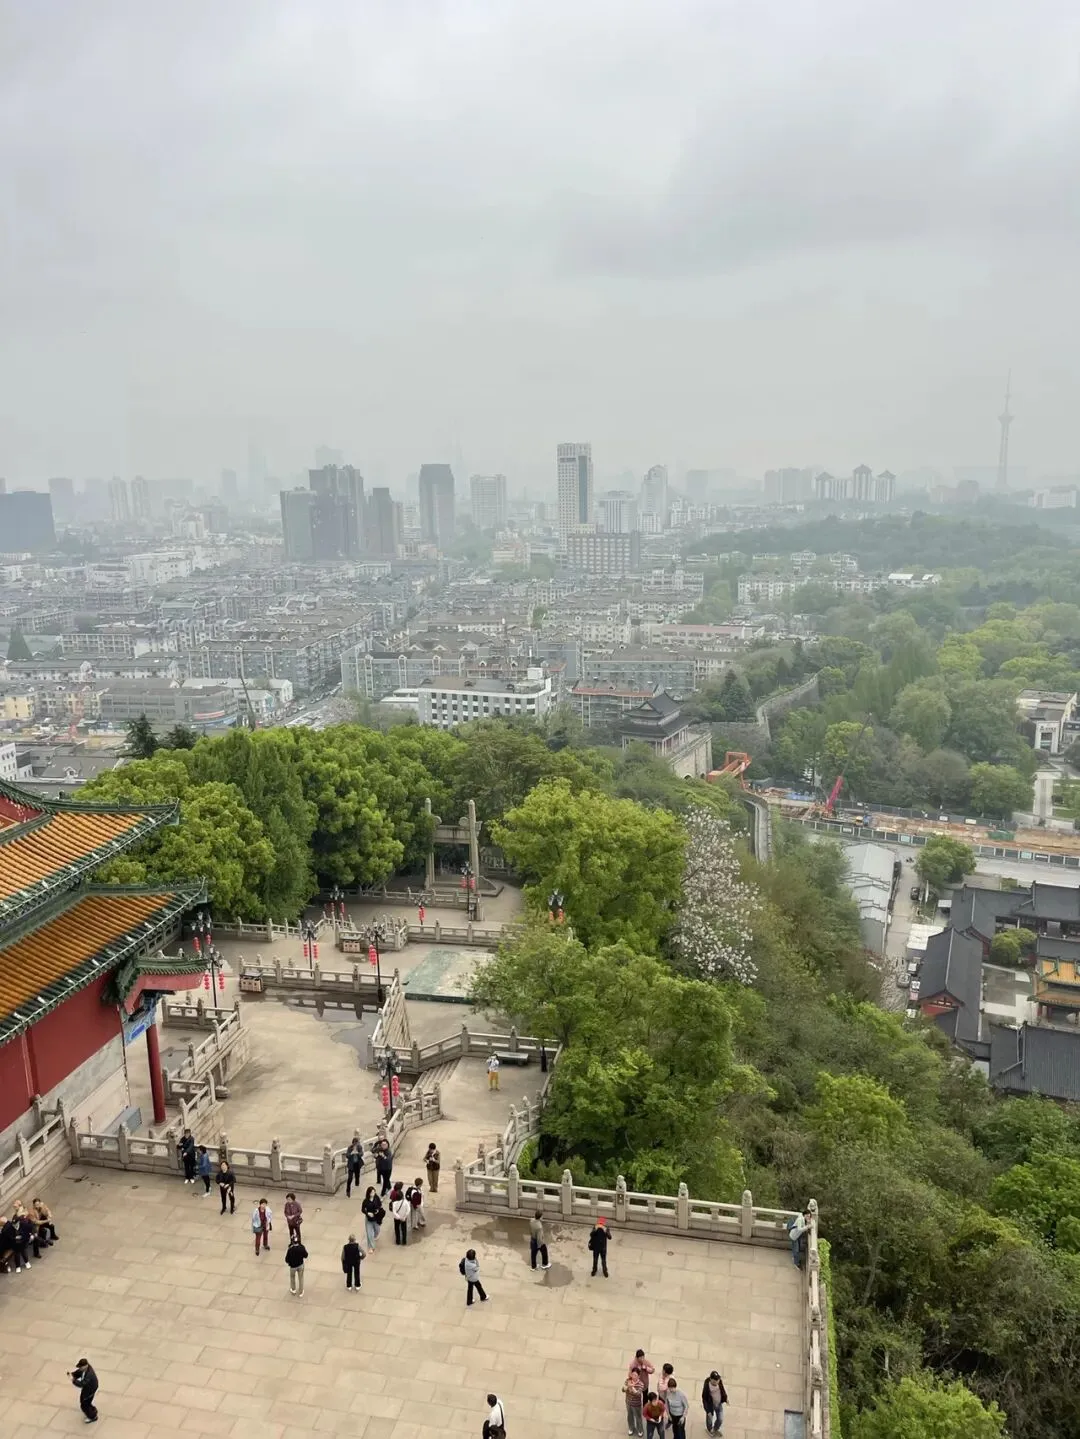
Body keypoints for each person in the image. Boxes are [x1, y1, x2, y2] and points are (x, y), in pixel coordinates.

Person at [71, 1357, 99, 1423]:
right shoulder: (85, 1369)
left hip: (90, 1390)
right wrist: (73, 1374)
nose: (80, 1368)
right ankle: (92, 1410)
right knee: (86, 1401)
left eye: (81, 1367)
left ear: (85, 1366)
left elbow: (82, 1384)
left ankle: (92, 1417)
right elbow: (79, 1372)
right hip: (88, 1389)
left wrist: (73, 1380)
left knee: (84, 1405)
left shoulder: (89, 1374)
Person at [623, 1368, 645, 1437]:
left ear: (639, 1376)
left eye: (635, 1375)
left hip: (636, 1404)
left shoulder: (641, 1384)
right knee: (629, 1416)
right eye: (633, 1374)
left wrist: (632, 1387)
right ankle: (631, 1428)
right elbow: (623, 1389)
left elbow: (637, 1394)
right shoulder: (628, 1380)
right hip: (628, 1402)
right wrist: (627, 1387)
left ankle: (640, 1430)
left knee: (638, 1417)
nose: (634, 1376)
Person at [361, 1186, 384, 1250]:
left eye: (374, 1192)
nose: (373, 1194)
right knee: (369, 1233)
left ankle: (375, 1236)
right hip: (369, 1219)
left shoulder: (376, 1198)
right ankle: (371, 1247)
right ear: (369, 1193)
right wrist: (367, 1213)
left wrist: (378, 1210)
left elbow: (380, 1205)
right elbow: (362, 1209)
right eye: (371, 1192)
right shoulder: (365, 1201)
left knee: (377, 1230)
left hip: (376, 1218)